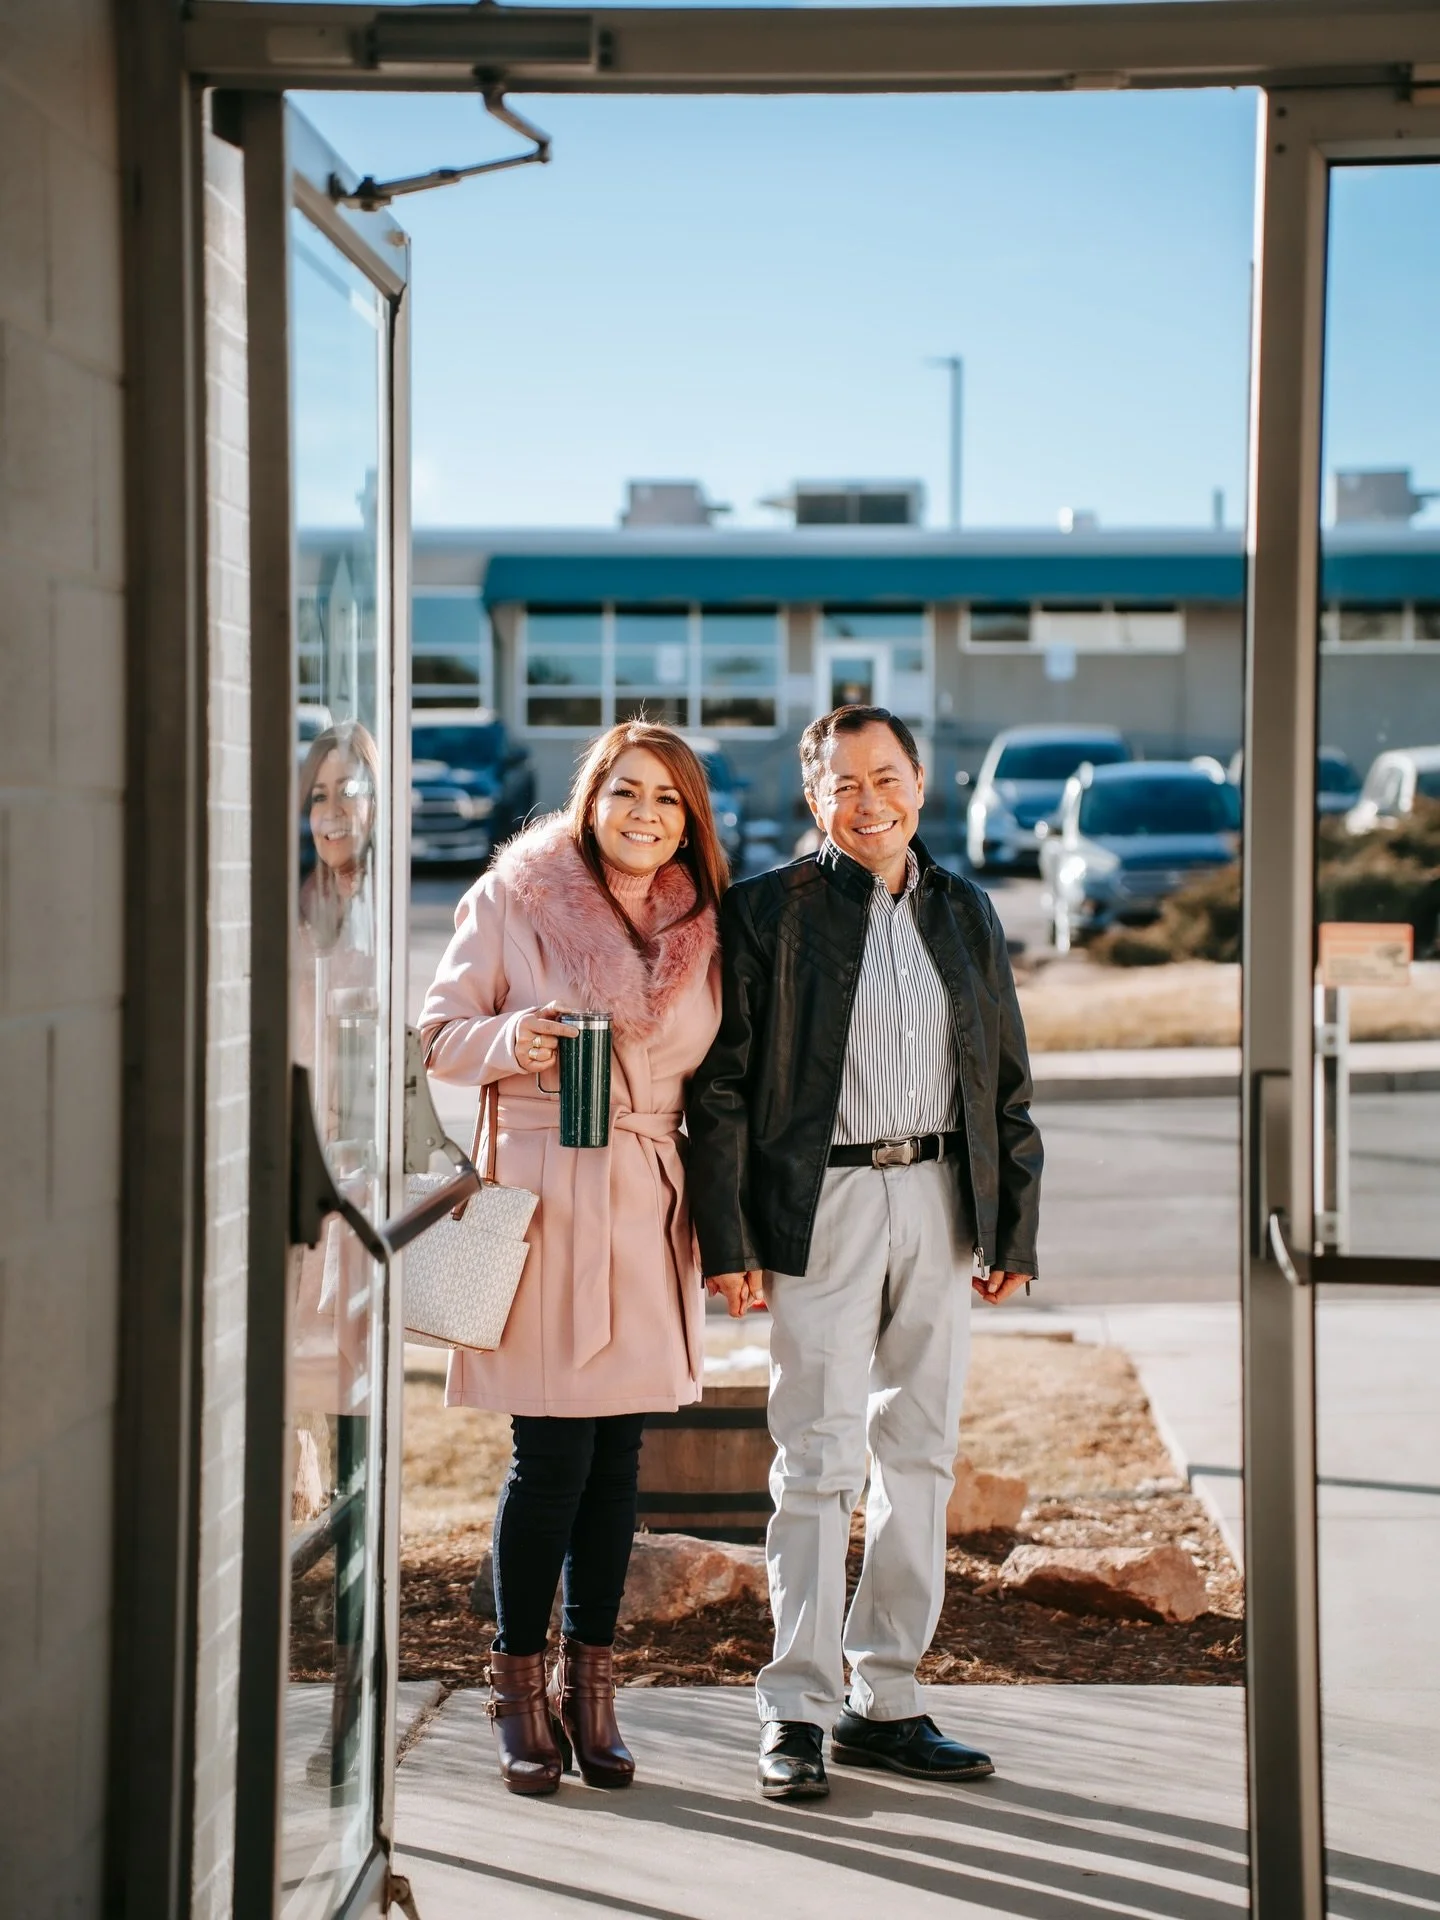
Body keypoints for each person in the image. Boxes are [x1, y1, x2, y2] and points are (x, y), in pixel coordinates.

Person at [687, 704, 1042, 1802]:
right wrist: (731, 1238)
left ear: (921, 783)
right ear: (813, 799)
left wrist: (1012, 1226)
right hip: (822, 1203)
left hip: (940, 1199)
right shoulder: (765, 912)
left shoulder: (967, 911)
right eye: (843, 783)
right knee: (817, 1456)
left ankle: (885, 1700)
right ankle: (794, 1707)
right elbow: (722, 1089)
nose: (869, 801)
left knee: (921, 1453)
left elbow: (1006, 1080)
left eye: (886, 777)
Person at [419, 721, 725, 1797]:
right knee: (550, 1456)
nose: (646, 814)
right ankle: (517, 1689)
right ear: (590, 799)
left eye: (668, 799)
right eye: (625, 791)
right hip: (545, 1200)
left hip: (647, 1201)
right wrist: (515, 1040)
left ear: (689, 821)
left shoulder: (702, 921)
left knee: (619, 1459)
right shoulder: (514, 896)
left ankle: (594, 1691)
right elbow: (436, 1035)